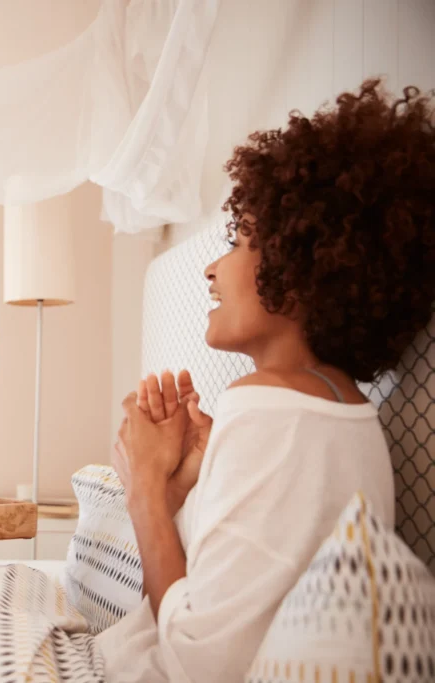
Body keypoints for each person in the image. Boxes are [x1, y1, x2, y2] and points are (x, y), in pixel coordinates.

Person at [102, 78, 435, 682]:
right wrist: (181, 492)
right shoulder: (347, 409)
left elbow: (196, 661)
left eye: (238, 239)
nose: (211, 264)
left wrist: (144, 487)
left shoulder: (265, 405)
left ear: (301, 258)